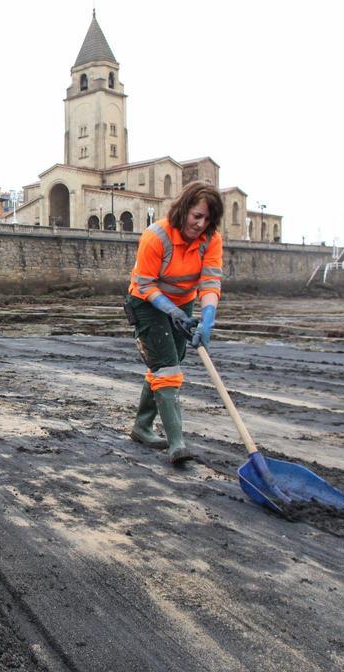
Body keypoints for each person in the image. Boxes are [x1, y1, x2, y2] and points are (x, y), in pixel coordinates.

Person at [124, 181, 224, 463]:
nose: (201, 224)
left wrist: (207, 319)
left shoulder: (211, 239)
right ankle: (177, 443)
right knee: (168, 367)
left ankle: (142, 426)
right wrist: (172, 311)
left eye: (207, 219)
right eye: (197, 216)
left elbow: (210, 281)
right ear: (184, 210)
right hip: (146, 303)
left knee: (167, 362)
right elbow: (144, 284)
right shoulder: (156, 237)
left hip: (182, 302)